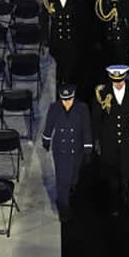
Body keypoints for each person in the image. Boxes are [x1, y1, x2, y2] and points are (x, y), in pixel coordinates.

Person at [93, 64, 129, 215]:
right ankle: (114, 198)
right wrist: (95, 138)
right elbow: (96, 117)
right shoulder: (103, 92)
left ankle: (124, 192)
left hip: (128, 136)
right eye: (115, 81)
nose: (118, 84)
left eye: (120, 81)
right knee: (112, 170)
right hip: (109, 137)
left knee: (126, 168)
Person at [42, 84, 92, 221]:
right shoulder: (55, 108)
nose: (66, 102)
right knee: (62, 179)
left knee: (74, 174)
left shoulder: (82, 109)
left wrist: (88, 149)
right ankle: (63, 206)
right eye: (64, 99)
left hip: (77, 148)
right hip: (61, 149)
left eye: (69, 99)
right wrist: (46, 140)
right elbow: (49, 125)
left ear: (74, 96)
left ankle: (72, 184)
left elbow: (86, 129)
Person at [45, 0, 87, 88]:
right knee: (59, 68)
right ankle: (60, 90)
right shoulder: (50, 0)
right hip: (57, 40)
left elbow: (82, 21)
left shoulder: (77, 0)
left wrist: (81, 39)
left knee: (71, 69)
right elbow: (44, 22)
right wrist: (46, 40)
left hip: (72, 40)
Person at [95, 0, 129, 67]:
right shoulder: (102, 2)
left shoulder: (126, 2)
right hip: (106, 40)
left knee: (122, 67)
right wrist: (97, 40)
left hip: (121, 39)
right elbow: (98, 23)